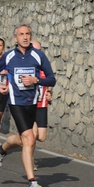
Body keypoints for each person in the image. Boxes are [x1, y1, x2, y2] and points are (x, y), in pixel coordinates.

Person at [0, 24, 56, 187]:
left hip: (33, 103)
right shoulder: (9, 56)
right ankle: (32, 183)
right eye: (21, 34)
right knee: (29, 139)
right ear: (15, 38)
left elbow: (52, 79)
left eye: (28, 34)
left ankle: (2, 150)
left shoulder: (38, 55)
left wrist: (36, 80)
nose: (25, 37)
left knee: (22, 139)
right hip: (16, 103)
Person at [31, 40, 53, 171]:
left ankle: (20, 140)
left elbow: (50, 80)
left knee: (42, 137)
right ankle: (30, 160)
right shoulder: (27, 65)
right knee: (32, 135)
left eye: (40, 50)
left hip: (42, 104)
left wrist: (49, 91)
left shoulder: (44, 65)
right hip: (29, 104)